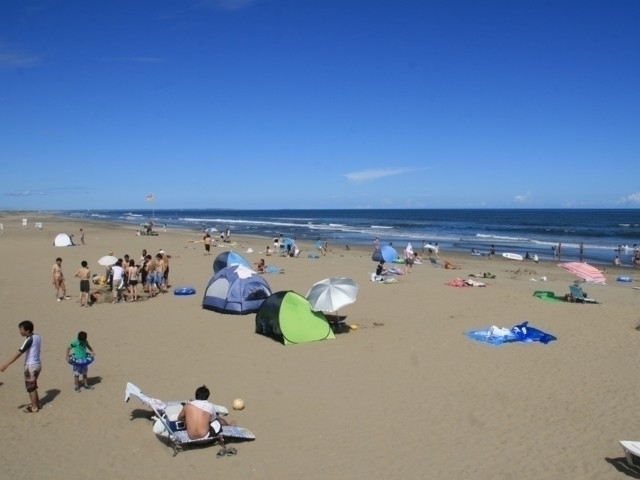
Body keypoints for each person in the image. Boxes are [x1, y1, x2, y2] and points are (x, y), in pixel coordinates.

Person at [0, 320, 42, 413]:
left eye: (21, 329)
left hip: (31, 366)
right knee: (33, 386)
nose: (20, 331)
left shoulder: (29, 339)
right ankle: (37, 403)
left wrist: (5, 365)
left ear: (27, 331)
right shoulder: (37, 336)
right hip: (38, 364)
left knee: (30, 387)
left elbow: (18, 353)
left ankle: (34, 407)